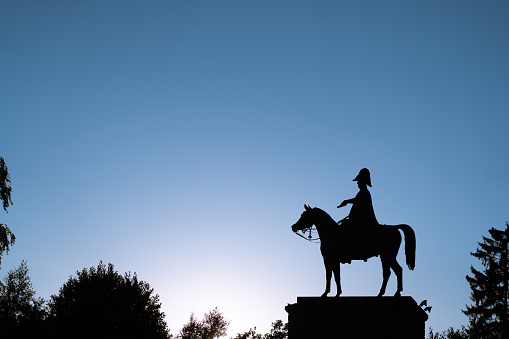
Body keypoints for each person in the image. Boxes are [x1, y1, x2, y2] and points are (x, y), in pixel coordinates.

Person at [337, 168, 379, 261]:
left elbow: (362, 210)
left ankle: (346, 253)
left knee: (344, 229)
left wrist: (351, 213)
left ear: (362, 181)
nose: (357, 183)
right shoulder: (362, 193)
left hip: (362, 222)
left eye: (358, 181)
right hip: (358, 219)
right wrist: (347, 201)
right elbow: (356, 201)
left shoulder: (364, 193)